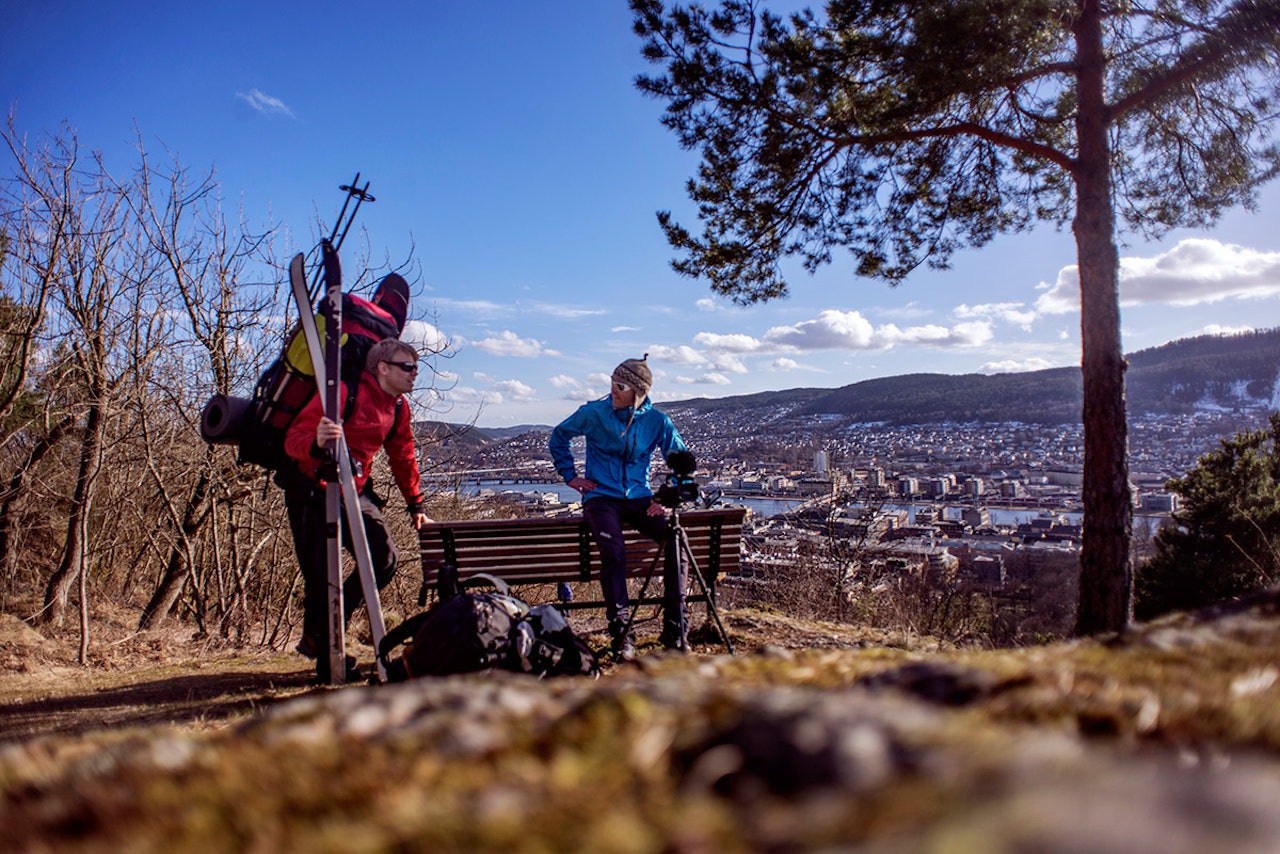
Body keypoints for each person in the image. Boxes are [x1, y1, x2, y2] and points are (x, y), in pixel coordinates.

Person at [283, 337, 432, 680]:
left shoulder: (398, 407)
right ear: (381, 368)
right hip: (311, 491)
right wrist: (317, 442)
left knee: (384, 559)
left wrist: (416, 504)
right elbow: (294, 439)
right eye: (406, 367)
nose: (414, 374)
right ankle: (328, 658)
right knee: (321, 577)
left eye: (415, 367)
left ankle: (328, 629)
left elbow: (403, 455)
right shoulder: (343, 394)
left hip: (356, 490)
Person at [549, 355, 689, 660]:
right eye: (612, 382)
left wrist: (665, 498)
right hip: (601, 497)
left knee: (676, 541)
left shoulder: (657, 422)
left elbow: (681, 460)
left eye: (621, 385)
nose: (613, 389)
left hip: (639, 496)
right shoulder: (594, 413)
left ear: (638, 392)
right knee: (614, 552)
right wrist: (570, 476)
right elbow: (559, 436)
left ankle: (675, 629)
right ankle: (622, 633)